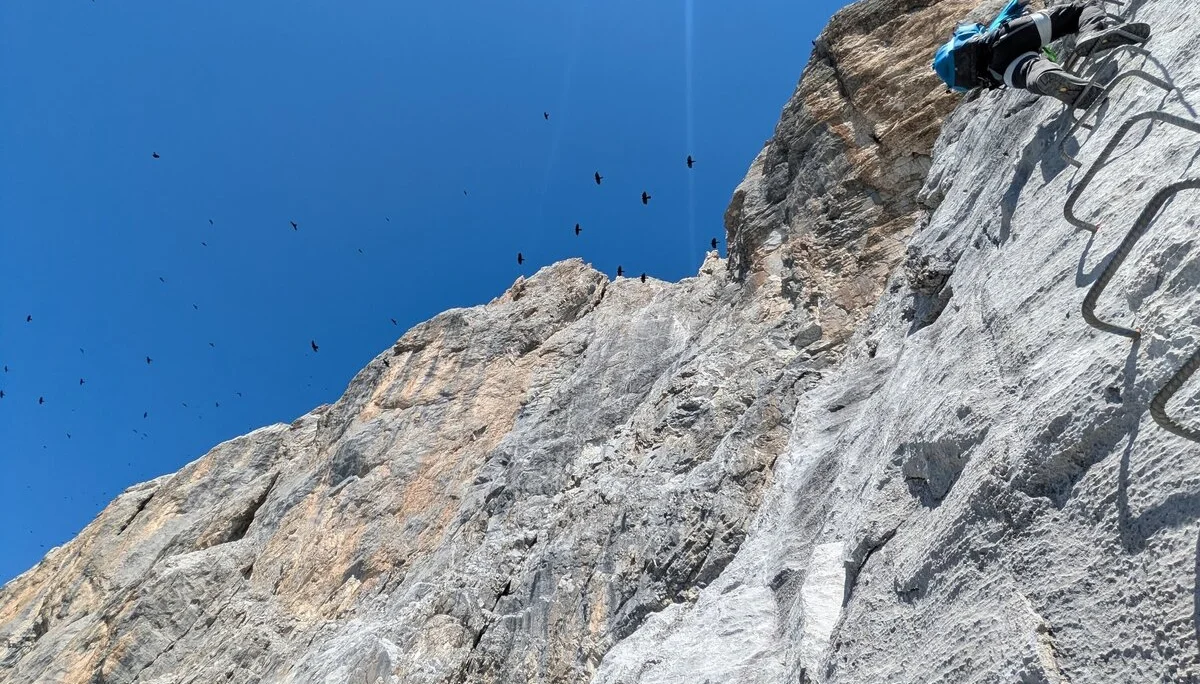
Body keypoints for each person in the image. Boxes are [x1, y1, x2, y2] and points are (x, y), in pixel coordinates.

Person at [933, 1, 1151, 109]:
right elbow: (1015, 4)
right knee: (1079, 8)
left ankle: (1050, 79)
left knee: (1032, 71)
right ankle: (1090, 33)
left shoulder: (971, 69)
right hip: (1008, 37)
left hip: (998, 73)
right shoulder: (986, 33)